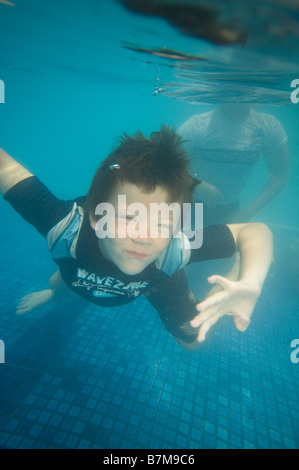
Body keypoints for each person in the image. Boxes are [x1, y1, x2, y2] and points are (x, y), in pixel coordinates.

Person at [0, 126, 273, 351]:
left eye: (163, 224)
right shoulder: (65, 226)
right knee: (60, 280)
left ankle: (236, 265)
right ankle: (52, 294)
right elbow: (7, 170)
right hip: (78, 266)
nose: (144, 238)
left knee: (192, 343)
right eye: (129, 218)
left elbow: (255, 230)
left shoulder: (173, 251)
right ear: (95, 216)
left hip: (155, 281)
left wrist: (250, 279)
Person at [178, 104, 289, 226]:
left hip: (230, 211)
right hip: (187, 203)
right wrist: (195, 185)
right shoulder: (196, 125)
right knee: (183, 244)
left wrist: (248, 213)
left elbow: (280, 175)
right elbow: (161, 166)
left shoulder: (269, 126)